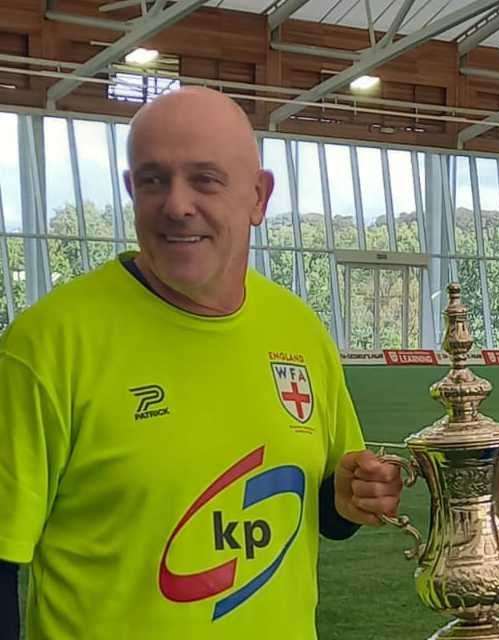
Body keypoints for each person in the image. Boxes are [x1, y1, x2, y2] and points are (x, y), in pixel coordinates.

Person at [0, 87, 403, 640]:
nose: (176, 204)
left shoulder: (299, 330)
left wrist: (353, 497)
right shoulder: (46, 345)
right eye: (153, 180)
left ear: (258, 198)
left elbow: (325, 505)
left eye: (205, 179)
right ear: (130, 190)